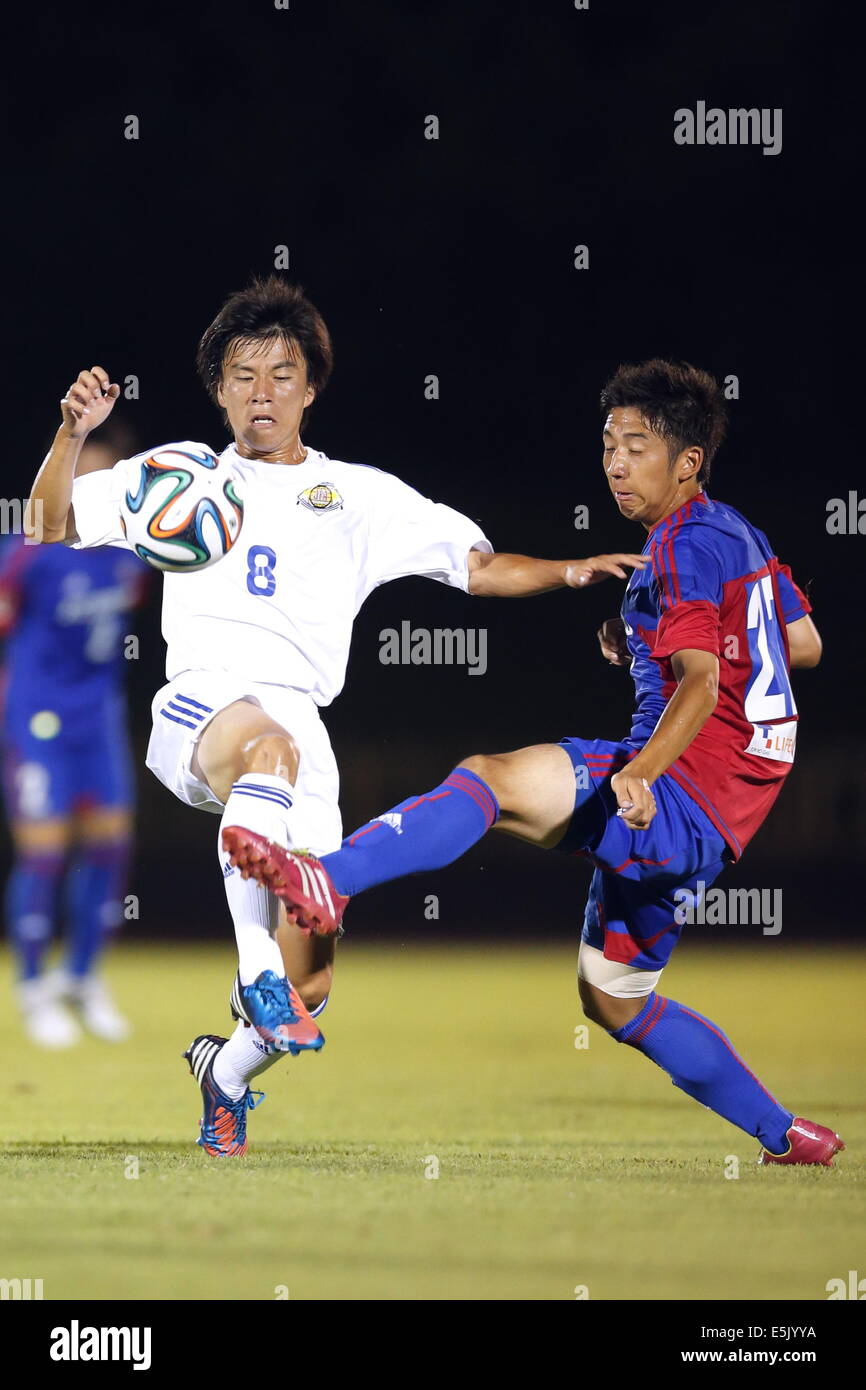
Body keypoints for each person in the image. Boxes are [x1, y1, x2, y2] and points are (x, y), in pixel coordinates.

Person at [27, 276, 644, 1154]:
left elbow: (476, 565)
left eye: (281, 374)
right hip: (203, 706)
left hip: (300, 737)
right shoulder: (177, 478)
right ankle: (255, 977)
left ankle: (227, 1068)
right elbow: (47, 524)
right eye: (242, 376)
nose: (261, 393)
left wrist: (571, 569)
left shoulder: (357, 495)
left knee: (311, 976)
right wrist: (70, 434)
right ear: (219, 391)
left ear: (311, 387)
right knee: (265, 756)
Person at [250, 359, 844, 1168]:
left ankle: (332, 878)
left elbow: (702, 685)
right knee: (615, 999)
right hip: (726, 817)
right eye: (608, 445)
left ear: (688, 462)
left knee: (491, 778)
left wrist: (641, 771)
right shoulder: (738, 533)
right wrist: (644, 637)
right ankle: (790, 1137)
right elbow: (801, 644)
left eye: (637, 446)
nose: (616, 463)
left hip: (678, 788)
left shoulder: (686, 542)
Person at [2, 426, 148, 1046]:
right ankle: (34, 987)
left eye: (96, 478)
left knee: (111, 849)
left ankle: (82, 978)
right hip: (36, 720)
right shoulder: (28, 549)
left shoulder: (130, 552)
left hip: (100, 719)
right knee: (42, 850)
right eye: (73, 478)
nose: (80, 490)